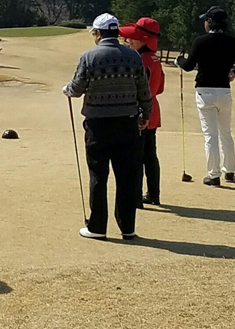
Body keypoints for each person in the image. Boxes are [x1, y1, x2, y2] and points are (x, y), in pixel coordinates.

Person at [63, 13, 152, 240]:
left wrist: (67, 90)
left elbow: (77, 88)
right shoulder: (133, 57)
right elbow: (144, 91)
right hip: (128, 123)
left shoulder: (89, 57)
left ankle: (97, 228)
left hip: (98, 125)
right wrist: (145, 115)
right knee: (126, 177)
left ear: (99, 34)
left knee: (98, 175)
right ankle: (127, 228)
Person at [177, 6, 235, 187]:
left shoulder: (201, 41)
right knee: (225, 133)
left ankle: (214, 175)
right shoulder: (232, 42)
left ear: (210, 22)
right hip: (224, 91)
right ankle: (229, 171)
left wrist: (178, 60)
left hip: (205, 92)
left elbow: (188, 66)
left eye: (206, 21)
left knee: (210, 135)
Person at [119, 18, 165, 207]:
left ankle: (135, 197)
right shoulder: (155, 60)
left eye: (133, 38)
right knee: (150, 156)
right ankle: (153, 194)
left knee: (135, 157)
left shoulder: (140, 60)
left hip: (139, 112)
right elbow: (160, 88)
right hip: (153, 111)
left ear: (144, 40)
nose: (129, 41)